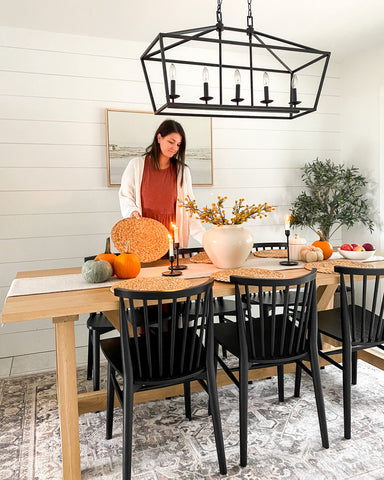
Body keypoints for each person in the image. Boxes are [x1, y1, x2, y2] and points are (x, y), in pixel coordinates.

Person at [119, 119, 205, 248]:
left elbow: (189, 209)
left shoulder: (182, 171)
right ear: (159, 138)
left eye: (178, 144)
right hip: (145, 234)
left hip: (172, 237)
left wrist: (207, 240)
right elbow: (125, 195)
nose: (174, 148)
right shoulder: (136, 165)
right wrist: (132, 211)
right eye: (171, 142)